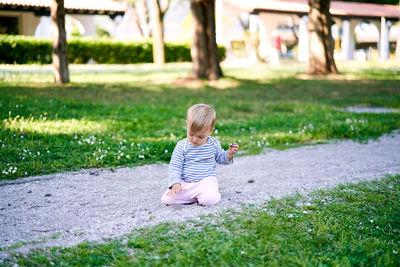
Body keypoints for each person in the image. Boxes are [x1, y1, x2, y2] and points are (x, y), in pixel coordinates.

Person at [161, 104, 239, 206]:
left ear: (210, 131)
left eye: (200, 136)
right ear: (187, 125)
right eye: (191, 134)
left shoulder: (213, 144)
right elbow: (175, 166)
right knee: (167, 199)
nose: (194, 139)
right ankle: (194, 196)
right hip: (186, 183)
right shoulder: (182, 146)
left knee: (210, 199)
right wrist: (176, 183)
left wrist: (229, 154)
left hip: (205, 182)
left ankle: (202, 195)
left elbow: (221, 159)